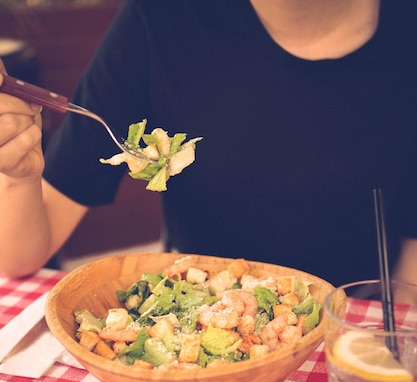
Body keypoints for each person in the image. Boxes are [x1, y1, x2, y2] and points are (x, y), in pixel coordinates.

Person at [1, 0, 417, 290]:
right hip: (199, 317)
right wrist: (19, 175)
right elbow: (18, 257)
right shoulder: (159, 19)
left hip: (357, 319)